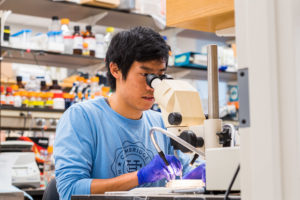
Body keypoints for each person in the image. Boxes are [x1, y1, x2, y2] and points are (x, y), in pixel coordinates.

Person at [54, 26, 205, 200]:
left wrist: (198, 177)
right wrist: (139, 177)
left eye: (160, 77)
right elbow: (69, 190)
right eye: (146, 75)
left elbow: (184, 177)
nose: (153, 87)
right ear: (115, 69)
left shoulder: (162, 123)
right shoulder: (82, 118)